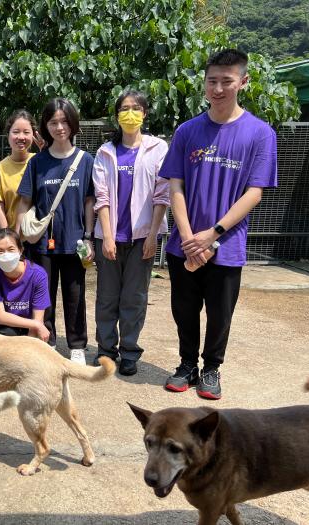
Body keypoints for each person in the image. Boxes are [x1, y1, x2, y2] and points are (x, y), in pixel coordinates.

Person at [159, 49, 277, 400]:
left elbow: (254, 192)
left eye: (227, 81)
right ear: (205, 83)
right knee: (184, 309)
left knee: (220, 313)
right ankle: (186, 365)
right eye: (213, 81)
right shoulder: (187, 131)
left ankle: (211, 370)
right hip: (185, 242)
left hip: (227, 244)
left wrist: (212, 234)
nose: (219, 88)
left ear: (243, 82)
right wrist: (186, 236)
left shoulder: (260, 134)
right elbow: (174, 184)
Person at [92, 90, 170, 376]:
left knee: (134, 297)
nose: (130, 114)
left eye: (136, 108)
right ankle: (105, 350)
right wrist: (108, 236)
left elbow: (163, 194)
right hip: (111, 236)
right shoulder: (105, 152)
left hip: (143, 238)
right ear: (116, 116)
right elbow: (101, 196)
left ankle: (129, 352)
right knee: (107, 296)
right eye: (124, 109)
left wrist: (152, 235)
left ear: (145, 113)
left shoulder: (158, 148)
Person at [16, 98, 96, 365]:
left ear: (73, 123)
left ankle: (76, 346)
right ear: (45, 126)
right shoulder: (37, 162)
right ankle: (46, 340)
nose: (59, 127)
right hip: (41, 244)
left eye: (64, 121)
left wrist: (88, 237)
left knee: (75, 296)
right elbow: (25, 202)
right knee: (43, 294)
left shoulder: (86, 160)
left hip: (74, 242)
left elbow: (89, 202)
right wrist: (18, 239)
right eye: (53, 122)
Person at [0, 229, 51, 341]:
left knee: (39, 339)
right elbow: (0, 317)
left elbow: (38, 319)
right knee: (8, 335)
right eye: (0, 251)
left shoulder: (38, 275)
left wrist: (30, 342)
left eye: (11, 249)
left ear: (20, 250)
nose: (6, 255)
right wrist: (36, 325)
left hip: (30, 322)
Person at [0, 110, 43, 230]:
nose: (21, 137)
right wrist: (9, 239)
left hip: (40, 236)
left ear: (33, 135)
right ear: (8, 135)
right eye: (16, 132)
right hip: (12, 237)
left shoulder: (40, 162)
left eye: (26, 132)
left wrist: (47, 155)